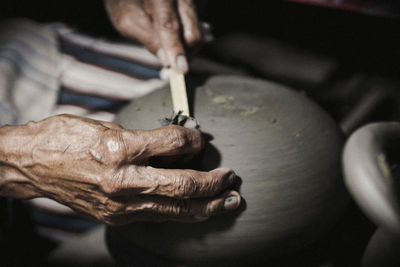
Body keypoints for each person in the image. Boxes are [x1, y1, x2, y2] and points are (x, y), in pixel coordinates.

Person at [0, 0, 241, 227]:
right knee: (122, 204)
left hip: (29, 62)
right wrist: (16, 158)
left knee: (193, 65)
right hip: (16, 188)